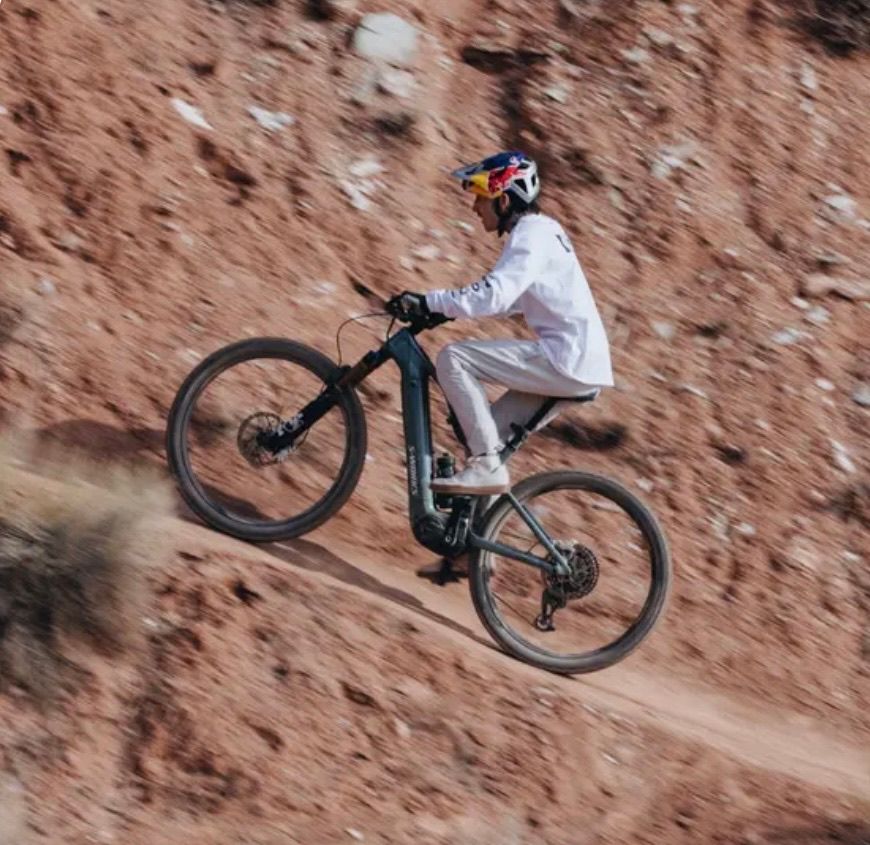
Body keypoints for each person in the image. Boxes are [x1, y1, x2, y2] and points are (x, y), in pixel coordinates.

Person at [387, 151, 614, 496]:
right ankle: (472, 545)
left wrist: (430, 301)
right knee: (482, 438)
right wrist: (443, 312)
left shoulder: (531, 234)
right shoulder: (542, 232)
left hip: (565, 358)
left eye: (481, 197)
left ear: (504, 200)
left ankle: (485, 470)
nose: (475, 207)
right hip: (577, 363)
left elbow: (493, 294)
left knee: (454, 358)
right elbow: (509, 301)